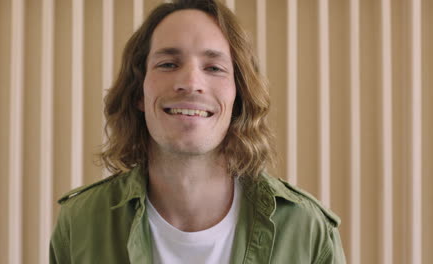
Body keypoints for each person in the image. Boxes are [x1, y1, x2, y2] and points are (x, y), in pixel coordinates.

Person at [50, 0, 346, 263]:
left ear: (238, 96)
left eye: (214, 68)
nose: (191, 82)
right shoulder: (81, 223)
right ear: (138, 93)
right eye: (168, 64)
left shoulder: (308, 230)